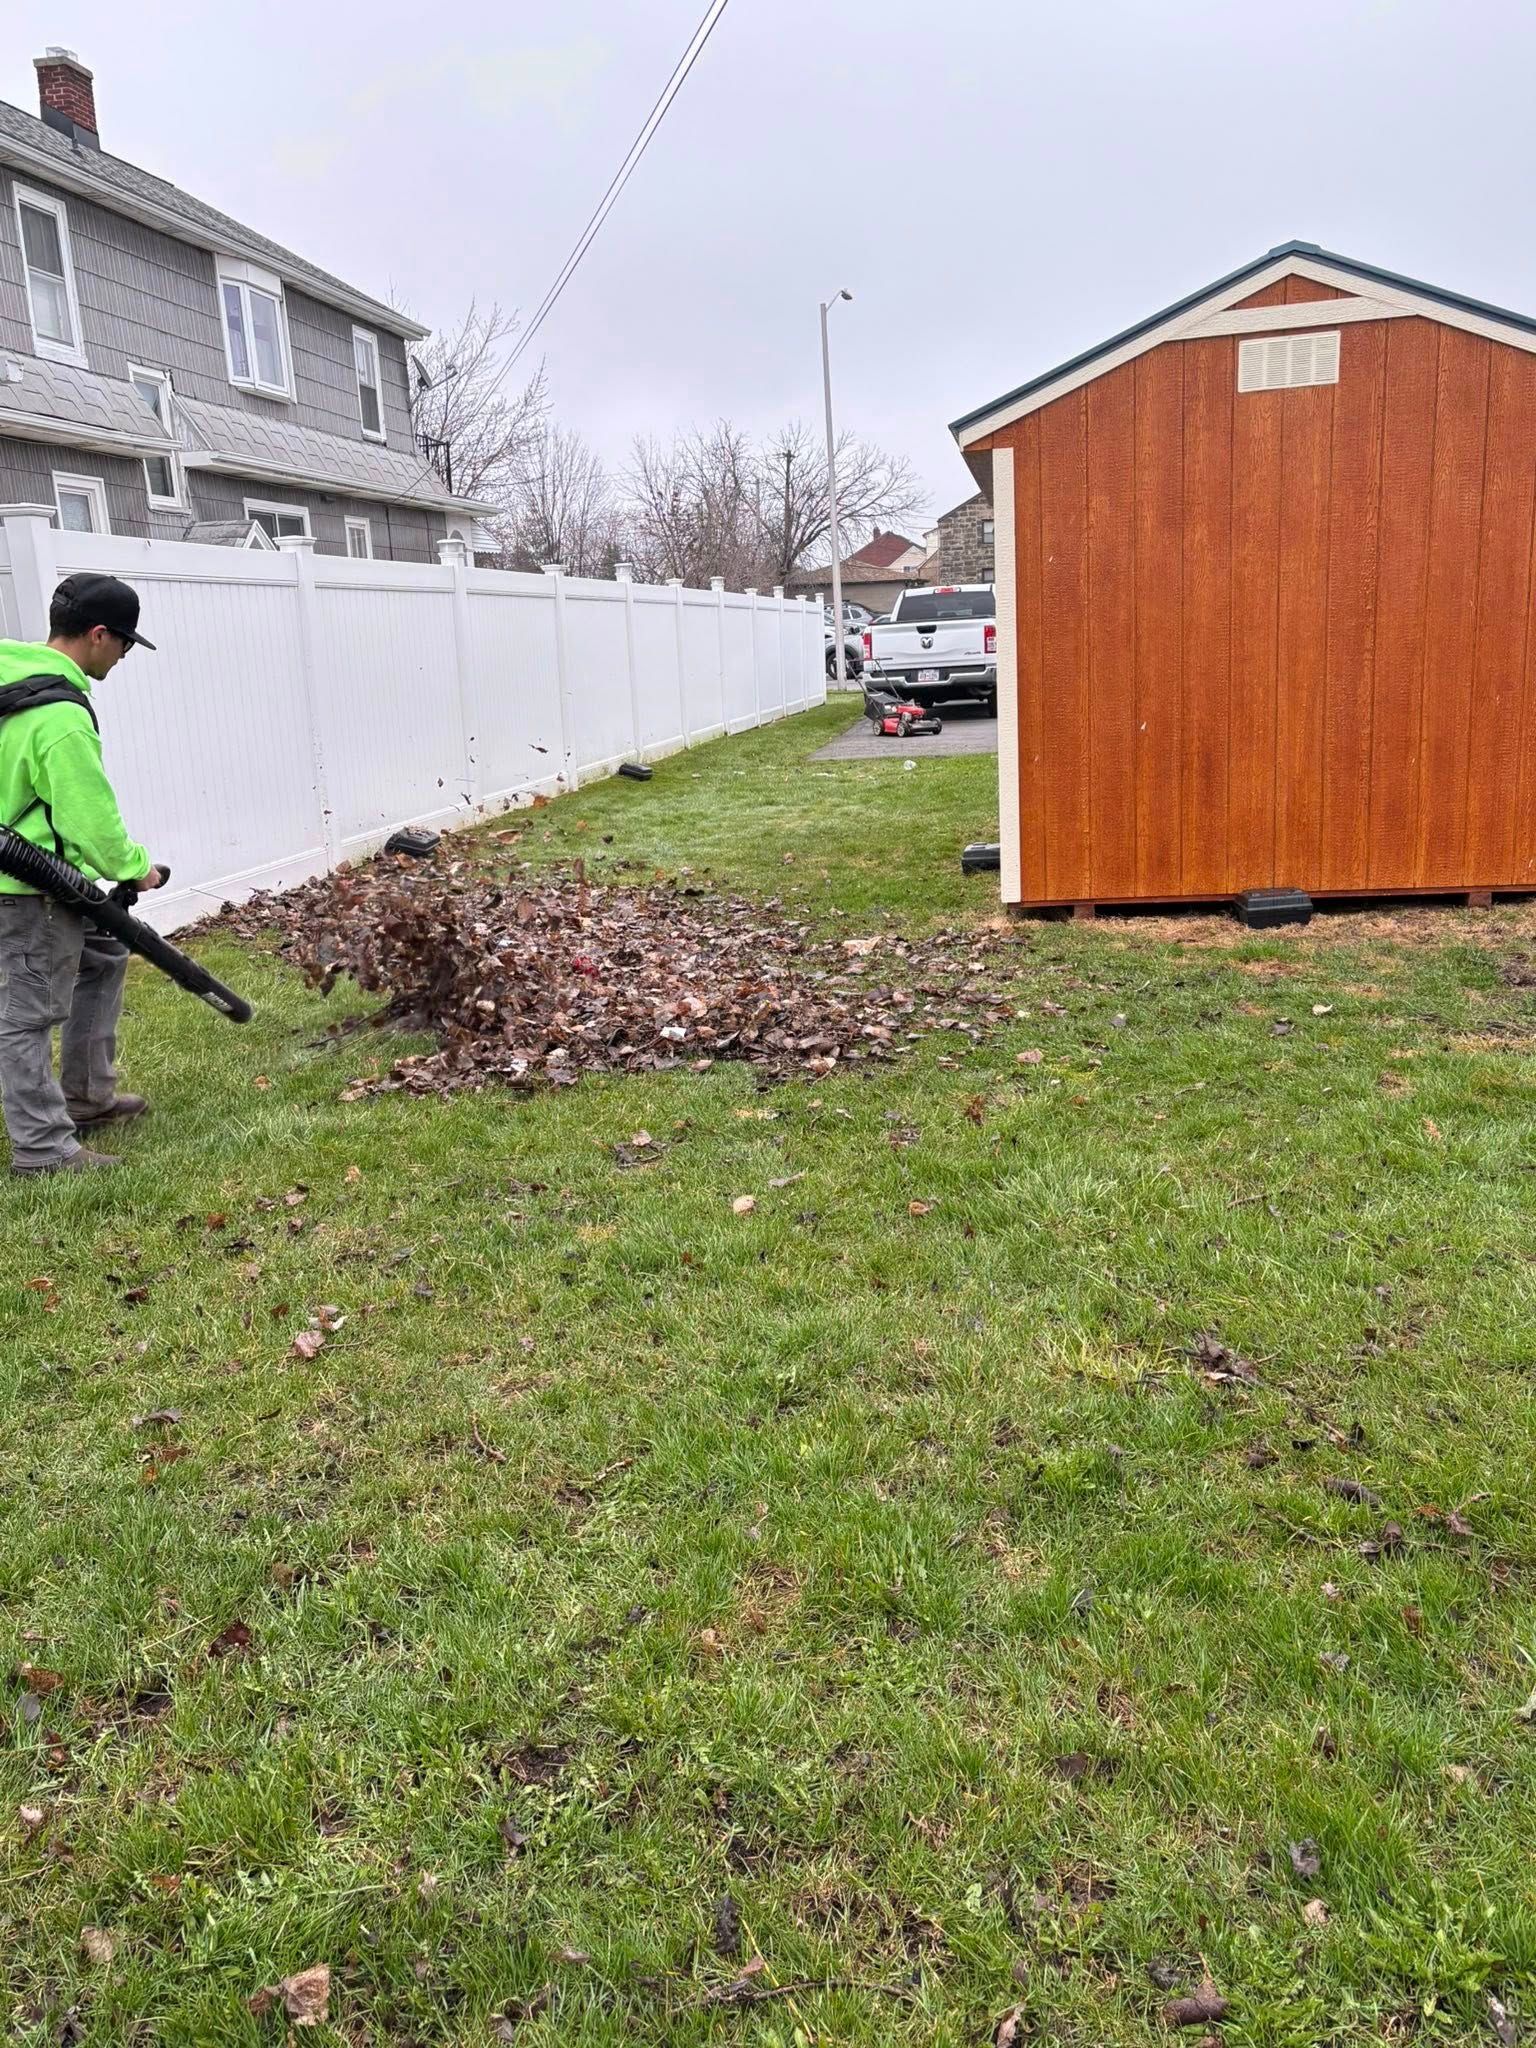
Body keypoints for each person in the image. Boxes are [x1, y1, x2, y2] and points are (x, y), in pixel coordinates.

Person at [0, 572, 163, 1177]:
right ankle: (43, 1148)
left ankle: (89, 1096)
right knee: (27, 1014)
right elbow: (89, 821)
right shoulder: (58, 717)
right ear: (99, 635)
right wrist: (136, 869)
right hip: (24, 891)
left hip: (48, 877)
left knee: (105, 951)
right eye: (124, 644)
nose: (123, 656)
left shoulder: (12, 677)